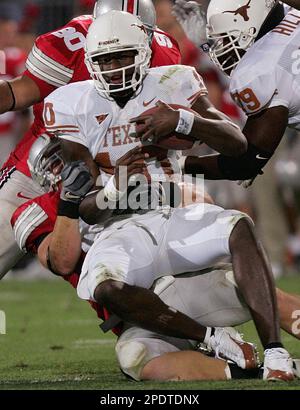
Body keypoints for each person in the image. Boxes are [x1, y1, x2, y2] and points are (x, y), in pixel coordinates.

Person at [42, 10, 295, 381]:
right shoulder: (69, 103)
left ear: (143, 52)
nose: (114, 67)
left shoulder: (174, 80)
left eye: (123, 56)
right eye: (105, 59)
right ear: (91, 63)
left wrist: (183, 120)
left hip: (172, 213)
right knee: (106, 287)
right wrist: (117, 184)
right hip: (119, 231)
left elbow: (239, 143)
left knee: (238, 225)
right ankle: (212, 339)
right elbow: (86, 208)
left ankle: (275, 352)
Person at [11, 134, 300, 382]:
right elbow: (61, 260)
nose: (66, 170)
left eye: (71, 158)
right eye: (56, 164)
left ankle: (269, 348)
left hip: (184, 287)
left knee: (245, 285)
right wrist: (69, 203)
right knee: (134, 357)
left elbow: (201, 202)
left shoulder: (122, 176)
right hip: (141, 315)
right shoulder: (39, 211)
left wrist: (165, 195)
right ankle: (245, 367)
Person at [0, 0, 181, 278]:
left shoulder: (166, 55)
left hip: (115, 176)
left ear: (147, 35)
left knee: (129, 277)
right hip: (46, 164)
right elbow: (17, 93)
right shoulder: (70, 45)